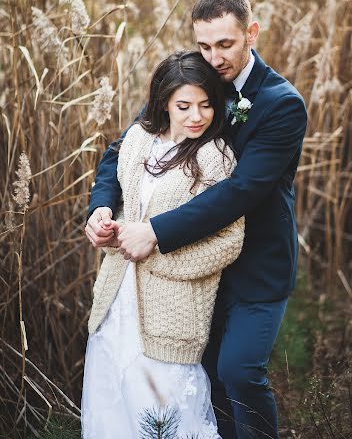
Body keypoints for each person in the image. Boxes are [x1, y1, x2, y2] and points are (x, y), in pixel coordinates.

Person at [85, 0, 308, 438]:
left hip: (254, 263)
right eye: (204, 45)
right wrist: (102, 206)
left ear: (252, 33)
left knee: (239, 371)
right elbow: (123, 148)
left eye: (225, 44)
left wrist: (154, 231)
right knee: (204, 377)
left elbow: (241, 191)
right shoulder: (191, 79)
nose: (213, 57)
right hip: (188, 268)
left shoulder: (282, 104)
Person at [81, 50, 244, 438]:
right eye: (184, 105)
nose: (197, 116)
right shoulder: (139, 140)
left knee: (164, 415)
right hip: (116, 304)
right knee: (113, 407)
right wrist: (105, 222)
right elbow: (122, 200)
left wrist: (157, 257)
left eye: (206, 105)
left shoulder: (216, 158)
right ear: (164, 103)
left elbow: (229, 241)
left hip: (173, 313)